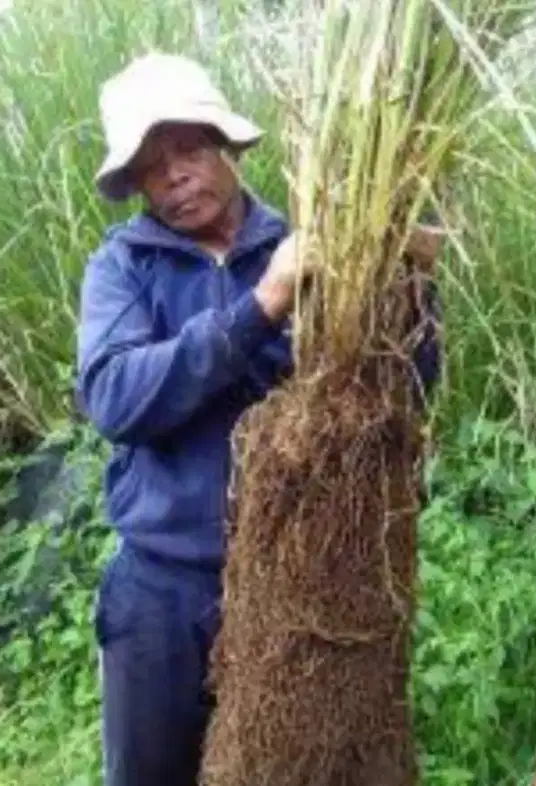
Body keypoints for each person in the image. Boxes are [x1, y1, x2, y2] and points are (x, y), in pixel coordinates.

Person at [75, 52, 444, 786]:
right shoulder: (124, 267)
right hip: (166, 588)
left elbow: (403, 393)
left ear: (226, 146)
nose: (175, 175)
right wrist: (259, 308)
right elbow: (114, 397)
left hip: (300, 585)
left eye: (187, 148)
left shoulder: (317, 246)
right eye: (152, 166)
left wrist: (412, 290)